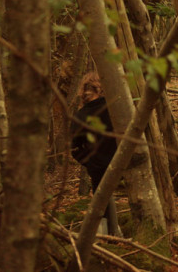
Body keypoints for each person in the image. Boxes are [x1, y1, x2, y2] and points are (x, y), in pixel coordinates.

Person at [70, 72, 122, 236]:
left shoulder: (112, 108)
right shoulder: (112, 107)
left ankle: (110, 236)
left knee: (102, 202)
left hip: (116, 164)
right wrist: (91, 161)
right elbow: (74, 148)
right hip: (116, 163)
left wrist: (90, 161)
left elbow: (75, 149)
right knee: (102, 202)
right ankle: (111, 237)